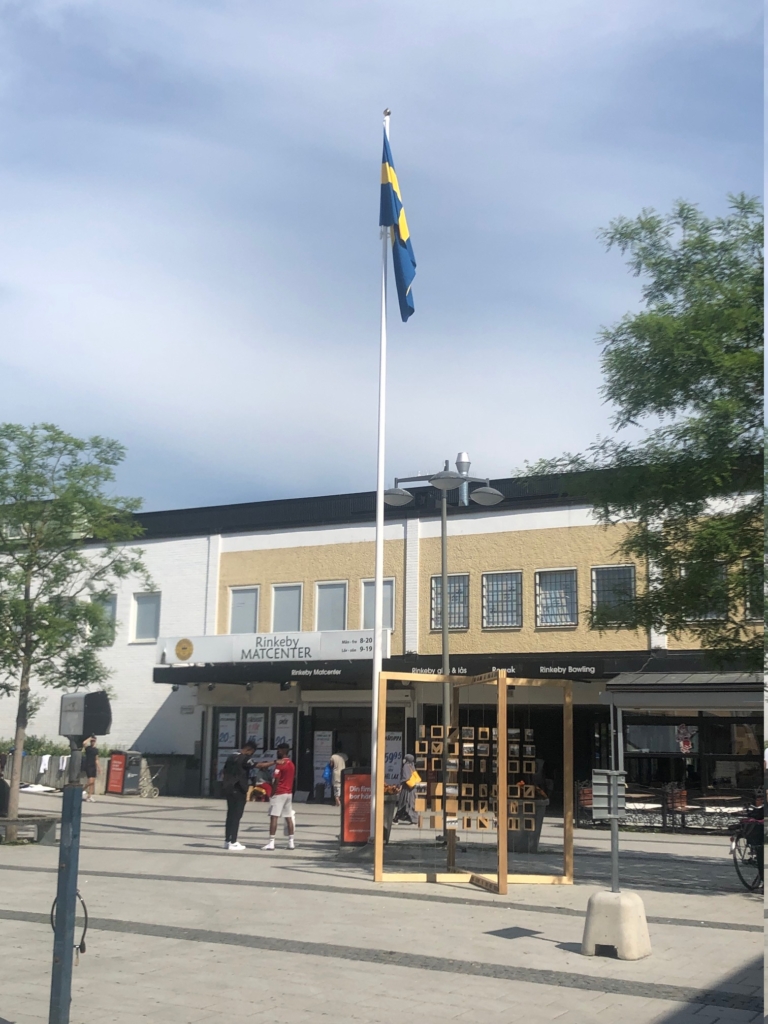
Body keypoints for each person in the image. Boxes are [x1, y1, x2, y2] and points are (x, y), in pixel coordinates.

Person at [258, 744, 296, 850]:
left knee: (274, 817)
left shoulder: (280, 764)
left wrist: (272, 793)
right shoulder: (291, 764)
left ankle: (271, 842)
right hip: (289, 793)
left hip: (279, 793)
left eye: (278, 750)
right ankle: (291, 841)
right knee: (288, 817)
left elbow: (276, 780)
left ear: (283, 751)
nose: (277, 752)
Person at [221, 739, 257, 851]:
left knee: (230, 815)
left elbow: (224, 771)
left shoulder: (231, 757)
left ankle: (227, 840)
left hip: (229, 788)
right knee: (237, 815)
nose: (251, 755)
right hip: (239, 789)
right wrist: (274, 762)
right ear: (249, 750)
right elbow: (257, 765)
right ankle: (234, 841)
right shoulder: (244, 758)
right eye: (252, 752)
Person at [394, 753, 419, 825]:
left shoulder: (405, 766)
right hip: (412, 788)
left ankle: (397, 818)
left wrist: (400, 785)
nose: (403, 760)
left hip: (406, 789)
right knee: (411, 803)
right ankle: (413, 819)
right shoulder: (412, 766)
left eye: (405, 758)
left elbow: (405, 777)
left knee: (402, 803)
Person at [329, 743, 348, 807]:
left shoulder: (333, 756)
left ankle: (337, 800)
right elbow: (347, 761)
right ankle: (342, 800)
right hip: (343, 772)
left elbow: (331, 765)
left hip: (336, 773)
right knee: (342, 786)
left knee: (336, 787)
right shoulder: (344, 755)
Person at [82, 736, 99, 802]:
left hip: (93, 766)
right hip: (88, 766)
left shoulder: (96, 750)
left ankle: (89, 796)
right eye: (92, 741)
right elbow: (84, 743)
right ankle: (82, 789)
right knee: (90, 781)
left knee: (92, 783)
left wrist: (99, 767)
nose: (93, 742)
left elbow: (96, 759)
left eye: (94, 741)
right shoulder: (88, 748)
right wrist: (89, 738)